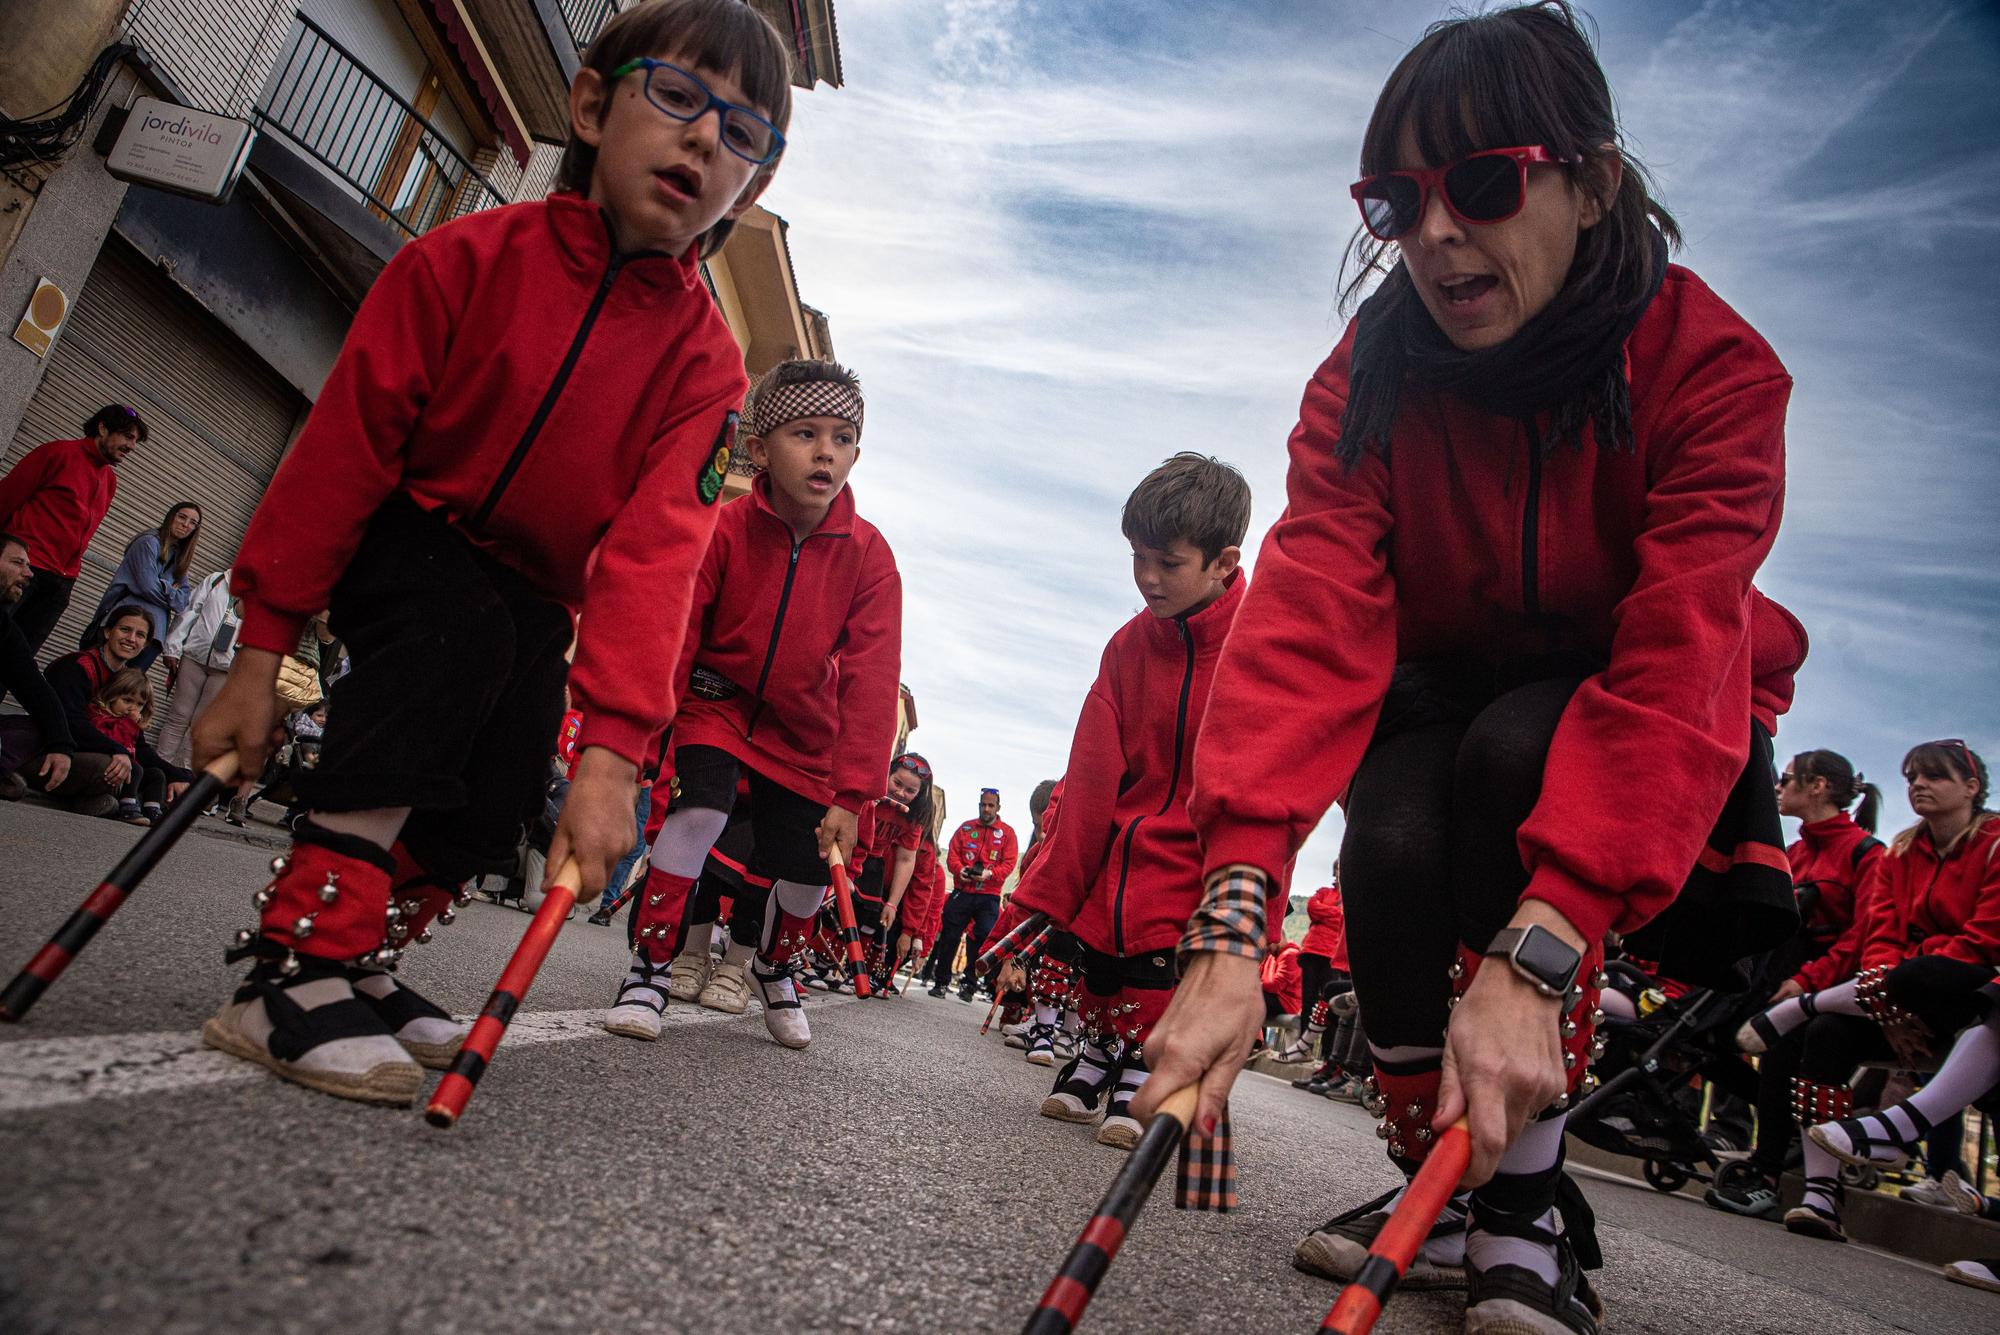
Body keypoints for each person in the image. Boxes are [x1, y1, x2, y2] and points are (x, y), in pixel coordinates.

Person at [1135, 7, 1809, 1331]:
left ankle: (1520, 1204)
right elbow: (1312, 615)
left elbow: (1681, 647)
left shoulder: (1712, 368)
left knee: (1516, 755)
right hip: (1435, 683)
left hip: (1622, 707)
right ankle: (1434, 1179)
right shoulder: (1366, 379)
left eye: (1485, 184)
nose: (1437, 231)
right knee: (1385, 829)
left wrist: (1542, 951)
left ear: (1592, 182)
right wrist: (1230, 923)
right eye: (1397, 199)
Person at [187, 0, 792, 1106]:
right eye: (677, 97)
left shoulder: (707, 368)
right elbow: (340, 451)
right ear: (591, 104)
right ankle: (293, 963)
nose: (708, 141)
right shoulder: (464, 256)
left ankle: (368, 955)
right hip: (410, 526)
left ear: (749, 186)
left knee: (511, 757)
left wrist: (610, 759)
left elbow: (656, 559)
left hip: (533, 584)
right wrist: (256, 653)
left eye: (746, 135)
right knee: (454, 639)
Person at [603, 356, 902, 1051]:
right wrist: (644, 743)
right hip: (719, 702)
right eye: (805, 433)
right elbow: (679, 633)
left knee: (805, 864)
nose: (826, 451)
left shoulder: (871, 556)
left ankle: (775, 963)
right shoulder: (725, 527)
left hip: (805, 730)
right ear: (761, 449)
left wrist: (853, 793)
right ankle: (649, 965)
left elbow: (872, 675)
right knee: (700, 807)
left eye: (843, 437)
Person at [1008, 452, 1251, 1148]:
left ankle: (1137, 1069)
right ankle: (1094, 1050)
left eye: (1167, 562)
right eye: (1137, 557)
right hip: (1120, 834)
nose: (1147, 577)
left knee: (1154, 959)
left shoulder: (1255, 643)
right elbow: (1089, 771)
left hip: (1198, 845)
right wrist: (1052, 881)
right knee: (1101, 951)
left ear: (1223, 562)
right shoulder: (1126, 647)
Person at [1735, 740, 1997, 1242]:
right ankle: (1821, 1196)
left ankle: (1807, 1004)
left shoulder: (1995, 843)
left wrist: (1896, 984)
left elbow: (1985, 939)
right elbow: (1881, 936)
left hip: (1973, 995)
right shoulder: (1902, 849)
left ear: (1971, 787)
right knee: (1827, 1034)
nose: (1918, 785)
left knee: (1921, 972)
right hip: (1901, 997)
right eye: (1912, 777)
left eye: (1933, 776)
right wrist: (1890, 1006)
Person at [1705, 747, 1884, 1220]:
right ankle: (1777, 1139)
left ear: (1818, 786)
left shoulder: (1866, 852)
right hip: (1774, 979)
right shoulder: (1795, 852)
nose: (1779, 789)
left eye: (1787, 780)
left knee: (1787, 1044)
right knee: (1708, 1036)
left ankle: (1767, 1168)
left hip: (1825, 989)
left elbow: (1863, 935)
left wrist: (1807, 983)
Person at [0, 404, 143, 671]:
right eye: (127, 436)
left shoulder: (109, 481)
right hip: (24, 572)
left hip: (60, 584)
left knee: (16, 665)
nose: (131, 446)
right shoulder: (57, 453)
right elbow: (6, 498)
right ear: (102, 428)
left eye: (134, 440)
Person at [36, 606, 173, 815]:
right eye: (125, 630)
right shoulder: (76, 666)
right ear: (108, 632)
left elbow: (140, 746)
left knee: (151, 774)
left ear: (145, 644)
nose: (131, 639)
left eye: (140, 635)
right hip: (50, 750)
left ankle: (99, 801)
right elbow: (70, 723)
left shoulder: (127, 680)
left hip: (90, 756)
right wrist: (117, 750)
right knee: (108, 766)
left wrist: (180, 776)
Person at [80, 502, 201, 669]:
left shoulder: (179, 558)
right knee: (97, 677)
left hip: (154, 636)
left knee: (123, 689)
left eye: (193, 523)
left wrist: (161, 585)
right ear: (171, 516)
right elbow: (147, 587)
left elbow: (182, 603)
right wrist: (168, 588)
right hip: (124, 622)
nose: (186, 525)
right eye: (182, 517)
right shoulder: (148, 543)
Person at [0, 533, 75, 798]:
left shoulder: (5, 630)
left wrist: (61, 744)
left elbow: (34, 687)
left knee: (39, 728)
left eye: (29, 565)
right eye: (18, 563)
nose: (29, 573)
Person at [930, 787, 1020, 1000]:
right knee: (949, 936)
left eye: (990, 805)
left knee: (983, 936)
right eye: (983, 804)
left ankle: (970, 984)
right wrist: (960, 870)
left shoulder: (1007, 833)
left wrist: (990, 874)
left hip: (988, 895)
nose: (986, 809)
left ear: (998, 807)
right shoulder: (965, 828)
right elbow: (952, 855)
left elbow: (1009, 864)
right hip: (962, 891)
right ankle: (940, 982)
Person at [157, 568, 240, 770]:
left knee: (200, 727)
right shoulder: (217, 579)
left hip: (225, 670)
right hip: (193, 658)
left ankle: (183, 780)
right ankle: (158, 772)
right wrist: (173, 648)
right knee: (178, 716)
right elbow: (190, 611)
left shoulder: (261, 597)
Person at [85, 666, 190, 824]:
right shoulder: (101, 717)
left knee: (156, 774)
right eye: (127, 700)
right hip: (108, 768)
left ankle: (153, 809)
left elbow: (143, 751)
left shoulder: (131, 724)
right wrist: (129, 724)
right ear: (112, 696)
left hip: (128, 774)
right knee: (135, 768)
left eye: (139, 704)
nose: (132, 708)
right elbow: (110, 739)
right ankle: (127, 807)